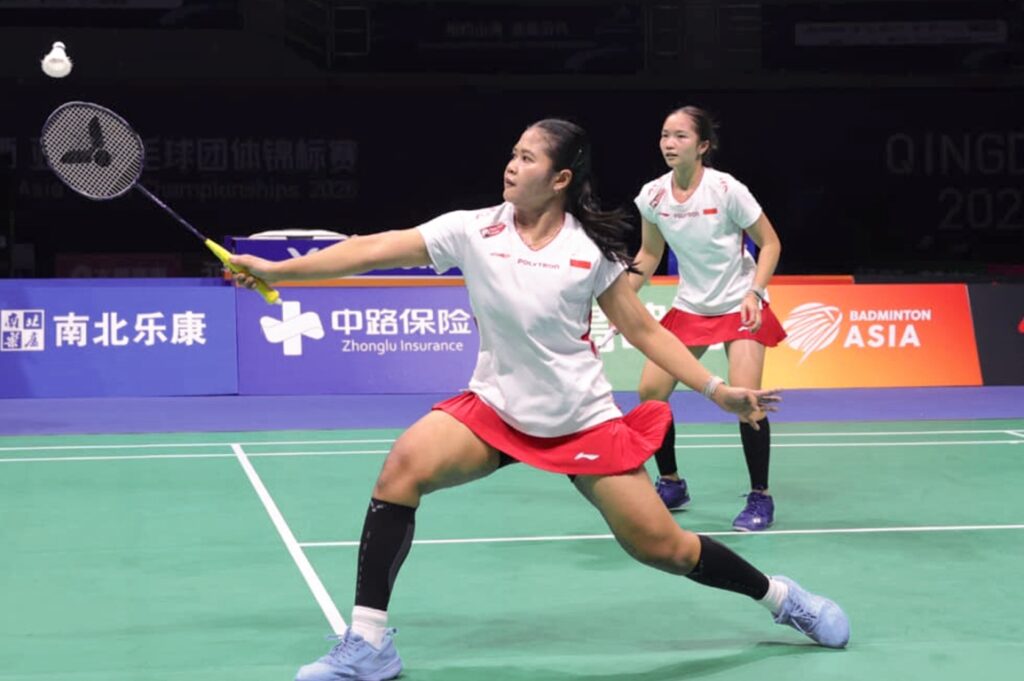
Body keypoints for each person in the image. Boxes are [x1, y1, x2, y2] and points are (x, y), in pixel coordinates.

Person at [231, 118, 848, 681]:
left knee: (665, 548)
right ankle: (369, 643)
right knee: (402, 469)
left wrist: (716, 390)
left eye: (527, 158)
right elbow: (371, 249)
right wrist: (276, 271)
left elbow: (643, 330)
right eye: (512, 154)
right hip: (496, 409)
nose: (511, 166)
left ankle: (781, 598)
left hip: (580, 421)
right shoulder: (472, 229)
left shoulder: (588, 251)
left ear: (559, 179)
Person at [630, 106, 787, 532]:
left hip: (740, 303)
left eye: (680, 136)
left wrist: (755, 292)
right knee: (650, 392)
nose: (669, 143)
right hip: (691, 305)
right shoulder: (653, 196)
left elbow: (770, 244)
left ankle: (760, 496)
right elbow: (649, 254)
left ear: (702, 146)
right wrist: (618, 296)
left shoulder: (726, 189)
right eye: (665, 135)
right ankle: (671, 482)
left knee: (747, 399)